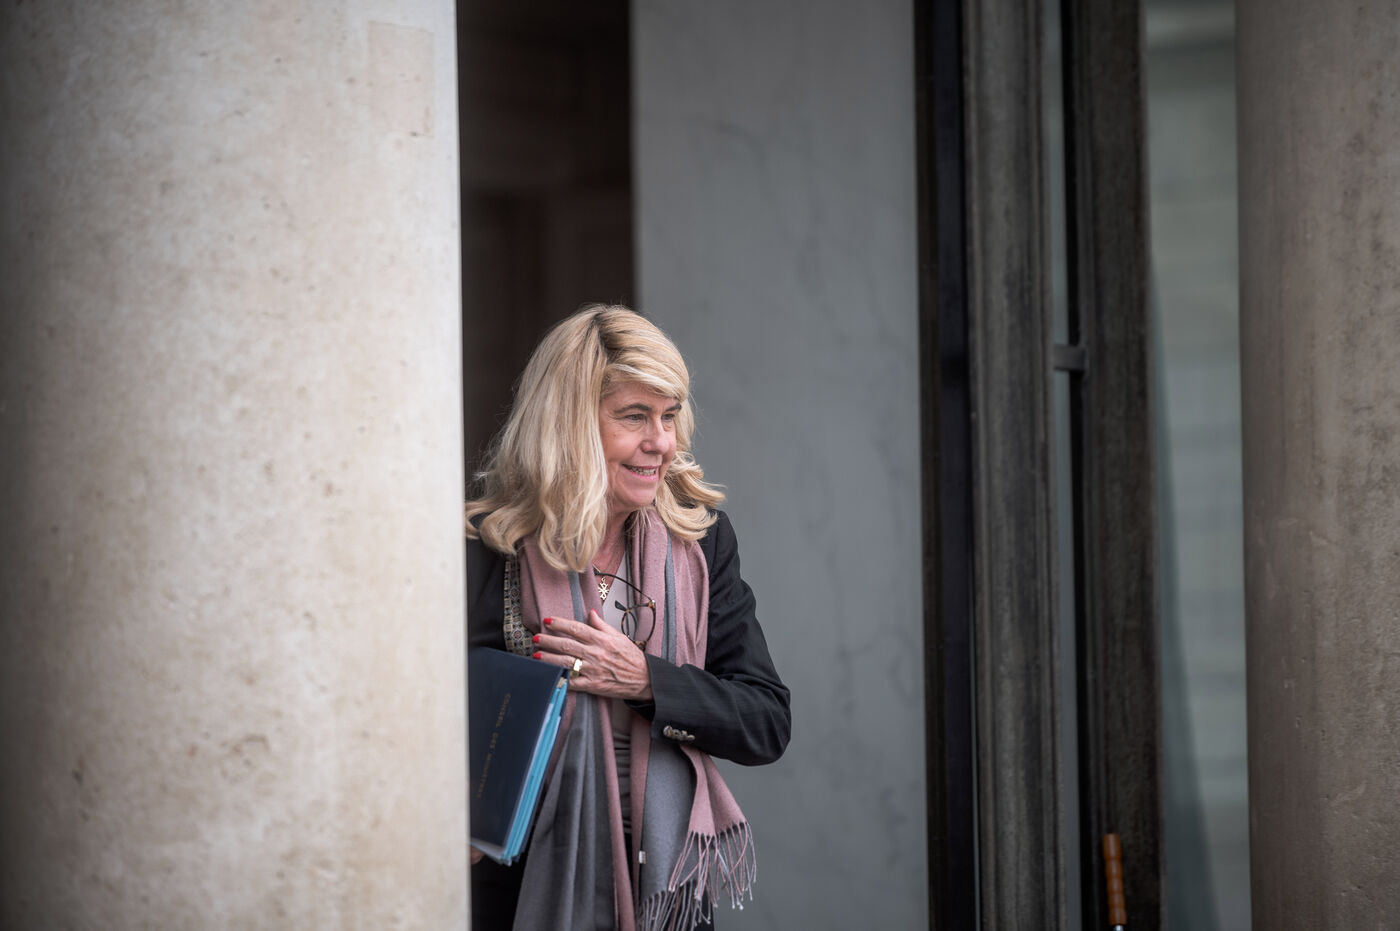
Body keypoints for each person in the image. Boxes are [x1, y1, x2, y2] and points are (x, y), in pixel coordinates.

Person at [465, 305, 791, 930]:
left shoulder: (701, 543)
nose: (661, 442)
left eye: (669, 416)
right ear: (569, 424)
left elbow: (765, 720)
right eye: (635, 416)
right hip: (519, 887)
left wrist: (646, 681)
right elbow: (423, 724)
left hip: (662, 893)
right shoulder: (486, 548)